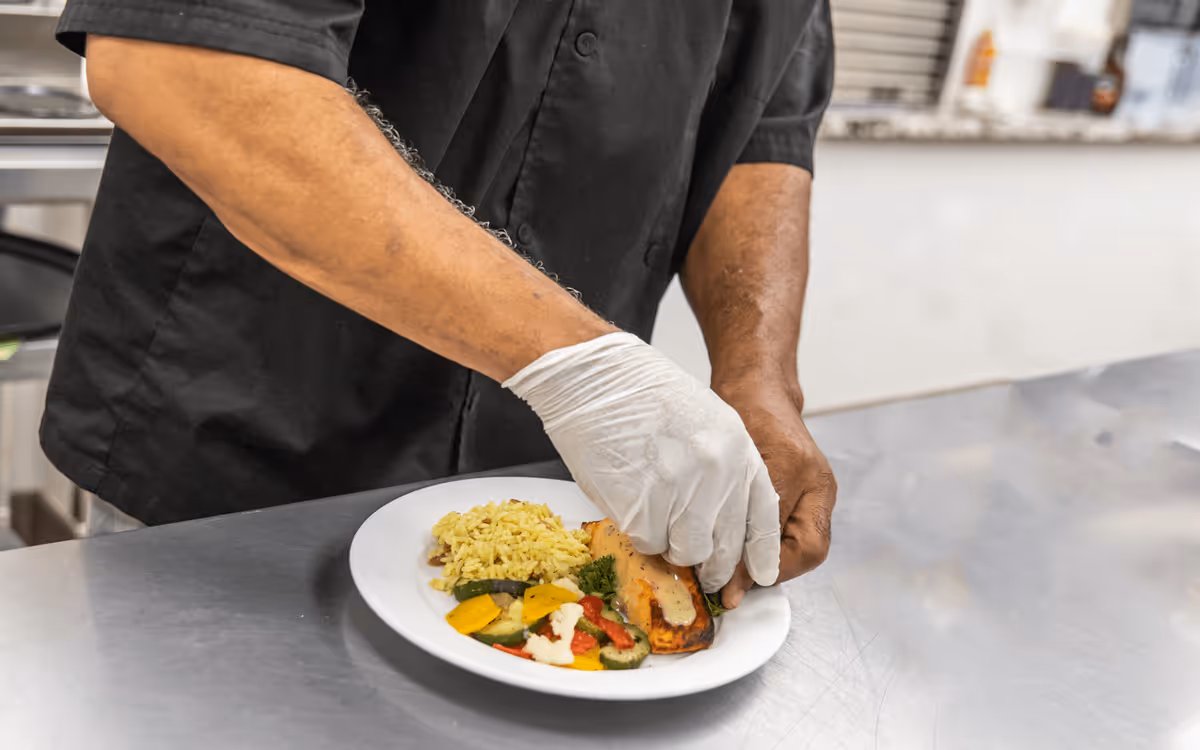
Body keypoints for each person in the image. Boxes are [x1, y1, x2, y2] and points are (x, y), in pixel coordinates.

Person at [42, 1, 838, 608]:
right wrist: (582, 366)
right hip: (234, 460)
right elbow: (186, 59)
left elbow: (763, 127)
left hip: (541, 480)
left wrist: (758, 376)